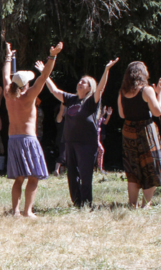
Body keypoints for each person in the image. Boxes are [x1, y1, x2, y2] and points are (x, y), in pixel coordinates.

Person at [37, 57, 117, 207]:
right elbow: (54, 91)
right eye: (80, 81)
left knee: (85, 175)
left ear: (89, 87)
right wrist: (44, 74)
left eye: (84, 82)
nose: (80, 82)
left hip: (87, 144)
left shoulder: (91, 101)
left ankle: (86, 204)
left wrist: (106, 69)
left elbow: (100, 88)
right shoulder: (71, 99)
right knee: (72, 175)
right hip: (70, 142)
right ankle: (77, 203)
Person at [3, 41, 63, 218]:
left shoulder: (8, 94)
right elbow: (44, 76)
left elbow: (5, 74)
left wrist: (8, 56)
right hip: (28, 139)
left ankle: (15, 212)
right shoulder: (29, 96)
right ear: (26, 85)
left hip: (13, 139)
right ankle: (27, 211)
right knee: (34, 176)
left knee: (19, 178)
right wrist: (52, 56)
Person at [117, 61, 161, 208]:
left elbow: (122, 114)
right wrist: (159, 94)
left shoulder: (122, 92)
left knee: (133, 169)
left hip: (128, 132)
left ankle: (132, 204)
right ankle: (145, 204)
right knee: (152, 167)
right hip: (146, 132)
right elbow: (157, 112)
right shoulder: (147, 90)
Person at [97, 106, 113, 173]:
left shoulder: (101, 117)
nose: (104, 110)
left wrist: (109, 115)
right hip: (91, 137)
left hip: (97, 137)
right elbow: (97, 119)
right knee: (101, 150)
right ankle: (99, 168)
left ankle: (100, 168)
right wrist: (103, 113)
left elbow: (105, 122)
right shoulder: (95, 115)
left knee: (100, 151)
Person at [53, 103, 66, 176]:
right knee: (62, 155)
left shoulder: (65, 119)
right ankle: (56, 170)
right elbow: (61, 113)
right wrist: (62, 109)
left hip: (64, 140)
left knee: (65, 155)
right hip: (61, 140)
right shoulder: (59, 118)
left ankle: (61, 172)